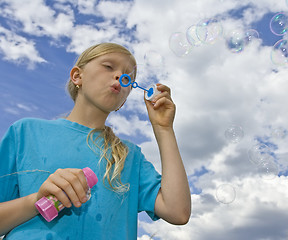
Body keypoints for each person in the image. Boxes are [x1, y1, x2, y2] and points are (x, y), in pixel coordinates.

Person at [0, 42, 191, 239]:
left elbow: (177, 211)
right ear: (77, 76)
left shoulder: (130, 155)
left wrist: (164, 128)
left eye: (129, 77)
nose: (121, 77)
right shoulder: (25, 132)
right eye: (109, 66)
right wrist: (36, 201)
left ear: (123, 101)